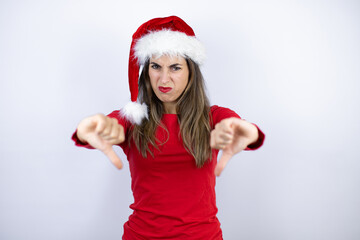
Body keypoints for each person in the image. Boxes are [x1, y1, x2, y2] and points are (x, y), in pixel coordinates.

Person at [72, 16, 265, 240]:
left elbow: (243, 129)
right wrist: (89, 130)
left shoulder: (212, 118)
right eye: (156, 67)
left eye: (175, 68)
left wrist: (246, 133)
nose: (164, 79)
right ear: (147, 72)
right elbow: (101, 128)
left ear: (191, 72)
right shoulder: (133, 119)